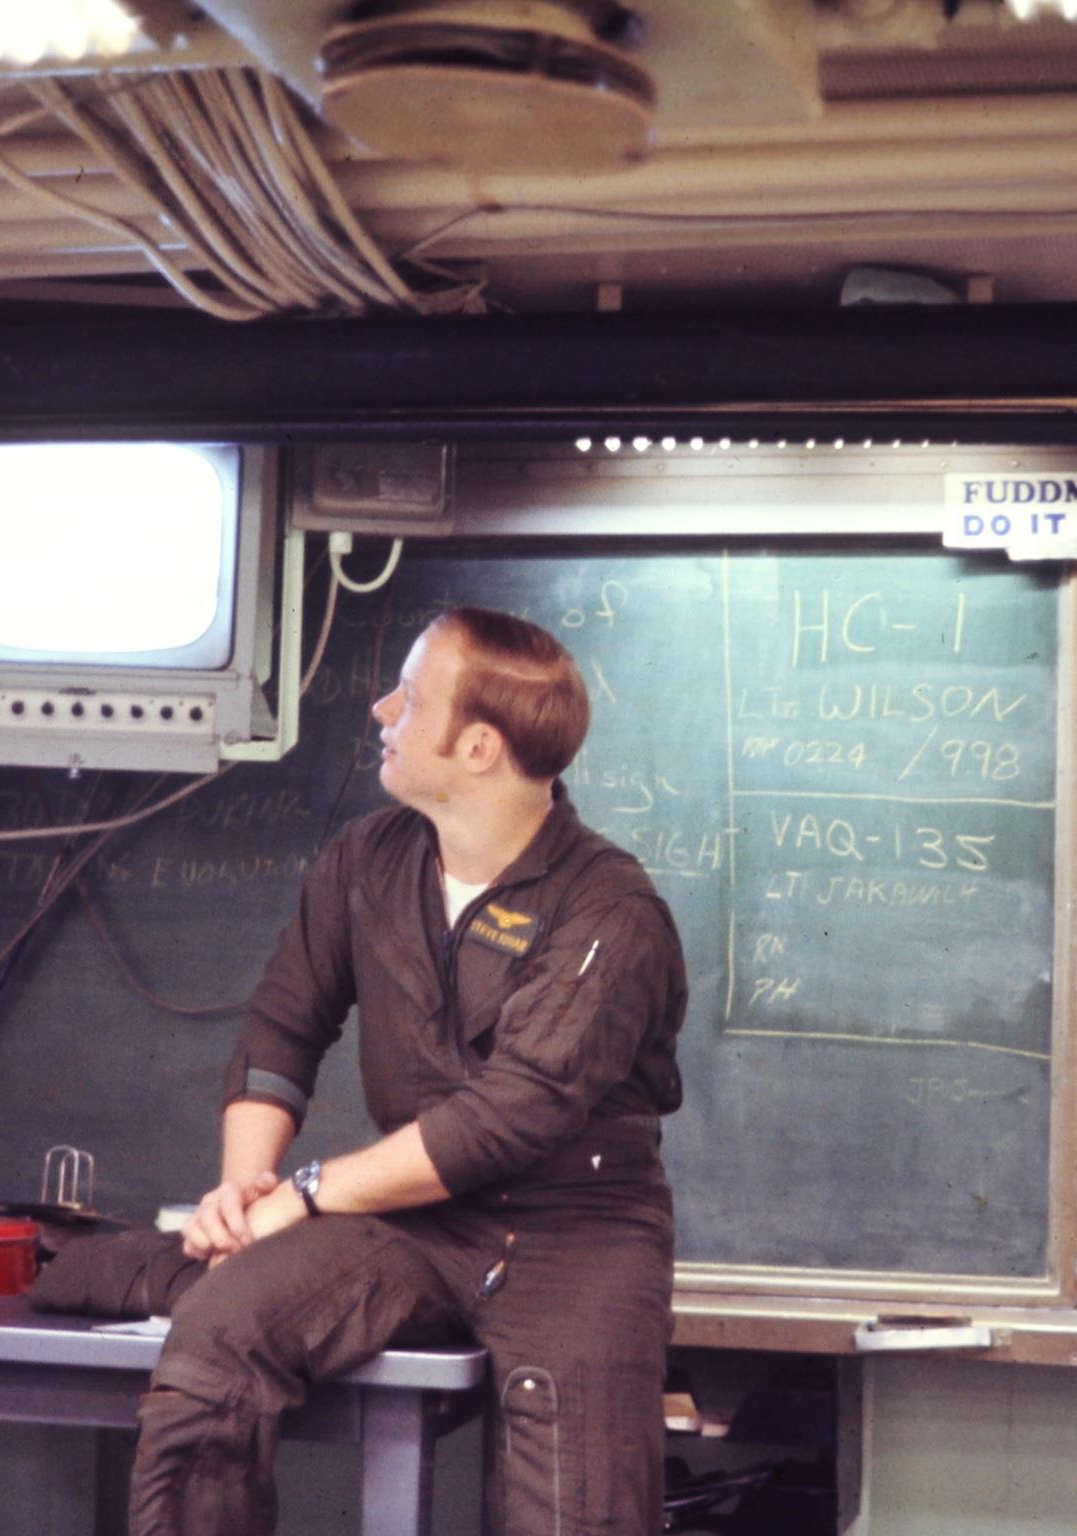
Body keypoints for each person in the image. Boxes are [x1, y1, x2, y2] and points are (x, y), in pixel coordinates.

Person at [129, 606, 689, 1535]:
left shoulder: (610, 909)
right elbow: (282, 1024)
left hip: (574, 1234)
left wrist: (304, 1192)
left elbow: (506, 1117)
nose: (382, 709)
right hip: (414, 1220)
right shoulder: (367, 860)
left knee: (576, 1509)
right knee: (215, 1342)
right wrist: (243, 1188)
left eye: (410, 696)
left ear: (476, 747)